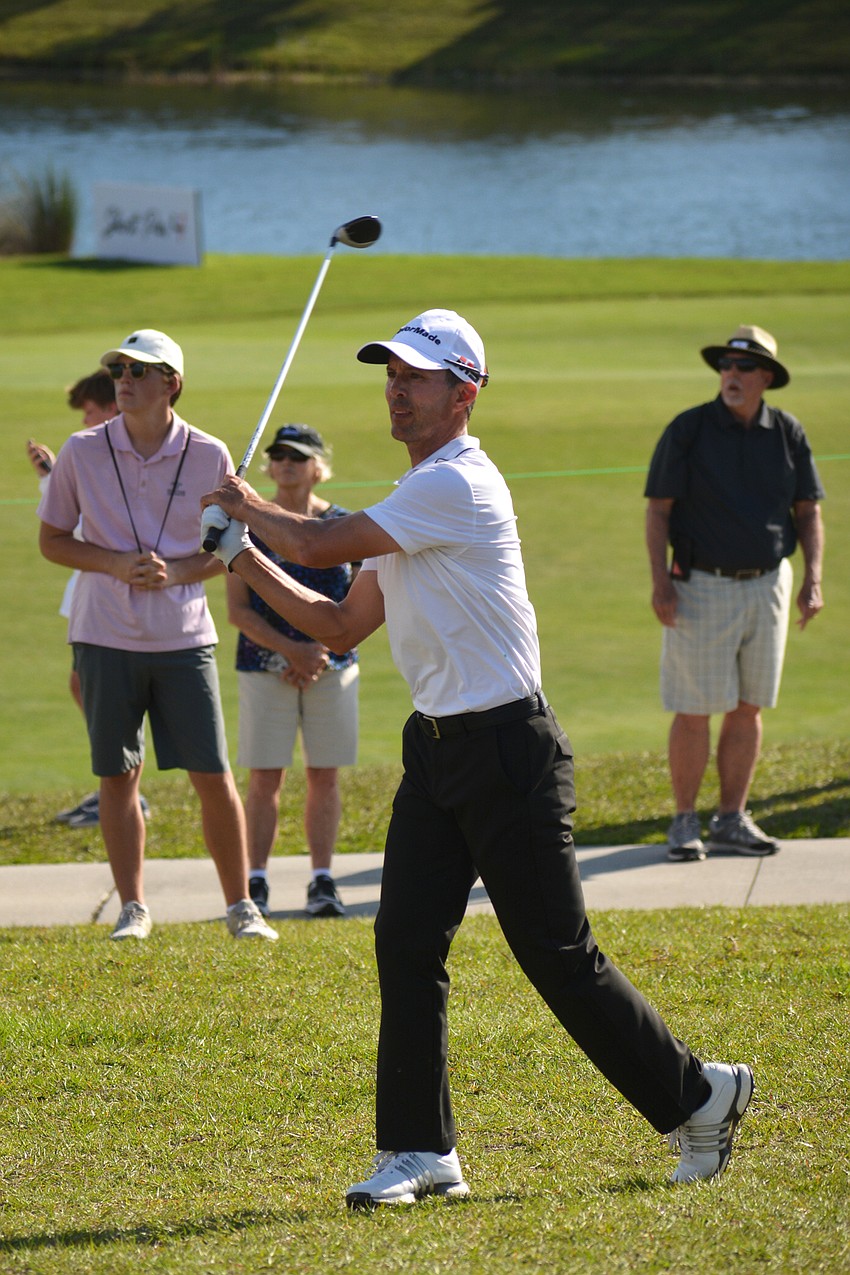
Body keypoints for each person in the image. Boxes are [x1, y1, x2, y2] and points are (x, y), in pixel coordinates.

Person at [201, 307, 754, 1208]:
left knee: (558, 956)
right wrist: (242, 557)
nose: (396, 391)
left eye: (415, 378)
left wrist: (244, 507)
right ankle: (421, 1150)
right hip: (437, 749)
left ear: (464, 392)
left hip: (508, 747)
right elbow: (339, 624)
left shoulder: (459, 484)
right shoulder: (413, 497)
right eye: (390, 376)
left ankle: (700, 1095)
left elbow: (314, 542)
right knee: (406, 940)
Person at [38, 328, 277, 943]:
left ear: (172, 383)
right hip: (103, 635)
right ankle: (133, 908)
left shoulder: (210, 453)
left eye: (139, 371)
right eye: (119, 370)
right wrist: (116, 564)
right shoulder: (81, 450)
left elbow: (229, 547)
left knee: (212, 774)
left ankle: (241, 907)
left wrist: (178, 573)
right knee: (118, 776)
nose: (124, 380)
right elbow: (53, 540)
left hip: (184, 639)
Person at [645, 325, 825, 863]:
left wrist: (813, 577)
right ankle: (684, 821)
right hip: (700, 586)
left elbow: (807, 511)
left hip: (769, 585)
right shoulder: (689, 429)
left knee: (749, 708)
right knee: (694, 709)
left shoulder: (787, 432)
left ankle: (731, 818)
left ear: (766, 377)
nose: (731, 374)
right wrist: (660, 583)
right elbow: (658, 512)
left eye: (744, 367)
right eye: (726, 365)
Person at [226, 423, 359, 919]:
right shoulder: (246, 520)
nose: (286, 464)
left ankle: (322, 878)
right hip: (264, 666)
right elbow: (238, 610)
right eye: (279, 455)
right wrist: (290, 651)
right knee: (265, 776)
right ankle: (256, 880)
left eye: (298, 457)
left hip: (333, 665)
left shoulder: (343, 524)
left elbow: (359, 601)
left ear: (317, 467)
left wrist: (315, 651)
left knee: (325, 774)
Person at [29, 371, 151, 829]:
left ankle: (125, 793)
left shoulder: (114, 457)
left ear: (112, 409)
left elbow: (85, 534)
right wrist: (52, 477)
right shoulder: (92, 453)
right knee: (84, 686)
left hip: (112, 591)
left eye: (90, 411)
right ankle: (116, 789)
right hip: (91, 588)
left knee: (105, 695)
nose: (84, 420)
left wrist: (53, 479)